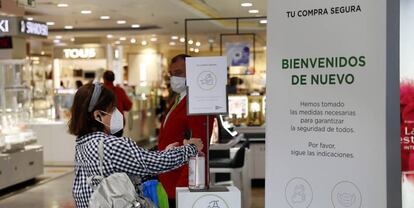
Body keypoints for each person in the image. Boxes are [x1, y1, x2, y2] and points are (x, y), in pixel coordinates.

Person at [69, 83, 204, 208]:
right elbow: (154, 164)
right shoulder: (110, 145)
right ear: (98, 116)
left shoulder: (82, 145)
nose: (118, 113)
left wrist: (163, 153)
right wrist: (191, 149)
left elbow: (128, 169)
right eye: (112, 109)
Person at [157, 54, 214, 207]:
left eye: (179, 73)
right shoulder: (177, 100)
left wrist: (184, 189)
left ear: (193, 72)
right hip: (167, 179)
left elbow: (199, 150)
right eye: (172, 74)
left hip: (182, 183)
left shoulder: (198, 104)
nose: (174, 78)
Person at [102, 70, 132, 137]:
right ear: (114, 79)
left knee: (103, 144)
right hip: (118, 122)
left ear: (104, 79)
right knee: (117, 143)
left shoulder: (100, 91)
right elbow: (128, 106)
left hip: (102, 123)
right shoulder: (119, 91)